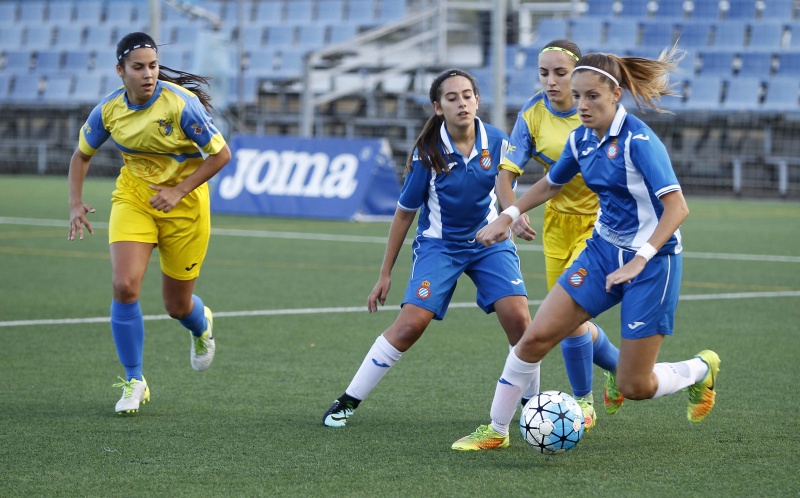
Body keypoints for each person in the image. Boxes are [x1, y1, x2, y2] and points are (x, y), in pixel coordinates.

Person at [452, 47, 720, 451]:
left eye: (591, 96)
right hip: (600, 253)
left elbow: (677, 208)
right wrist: (507, 215)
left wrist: (640, 260)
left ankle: (700, 369)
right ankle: (495, 429)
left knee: (635, 385)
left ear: (615, 94)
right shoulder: (581, 138)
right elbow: (550, 184)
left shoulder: (640, 142)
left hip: (653, 264)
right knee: (535, 338)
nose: (581, 105)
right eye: (577, 96)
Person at [322, 69, 535, 427]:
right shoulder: (427, 153)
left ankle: (533, 407)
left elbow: (503, 187)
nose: (462, 103)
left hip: (489, 244)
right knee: (409, 326)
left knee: (520, 320)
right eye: (451, 98)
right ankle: (347, 401)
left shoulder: (498, 141)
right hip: (441, 246)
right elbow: (405, 215)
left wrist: (511, 215)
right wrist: (385, 273)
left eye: (467, 95)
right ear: (438, 107)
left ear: (477, 101)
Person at [67, 32, 231, 415]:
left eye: (153, 66)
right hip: (134, 200)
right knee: (124, 287)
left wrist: (179, 190)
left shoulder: (181, 105)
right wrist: (75, 202)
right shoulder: (108, 110)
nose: (148, 74)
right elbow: (81, 155)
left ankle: (200, 324)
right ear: (120, 71)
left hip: (185, 208)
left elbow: (221, 155)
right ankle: (134, 381)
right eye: (138, 67)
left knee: (177, 306)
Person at [497, 39, 621, 431]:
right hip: (556, 225)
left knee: (567, 315)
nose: (551, 81)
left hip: (599, 225)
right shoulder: (532, 115)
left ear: (579, 75)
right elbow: (506, 174)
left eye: (560, 73)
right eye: (544, 73)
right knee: (568, 320)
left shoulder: (598, 112)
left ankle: (584, 403)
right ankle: (622, 371)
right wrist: (511, 212)